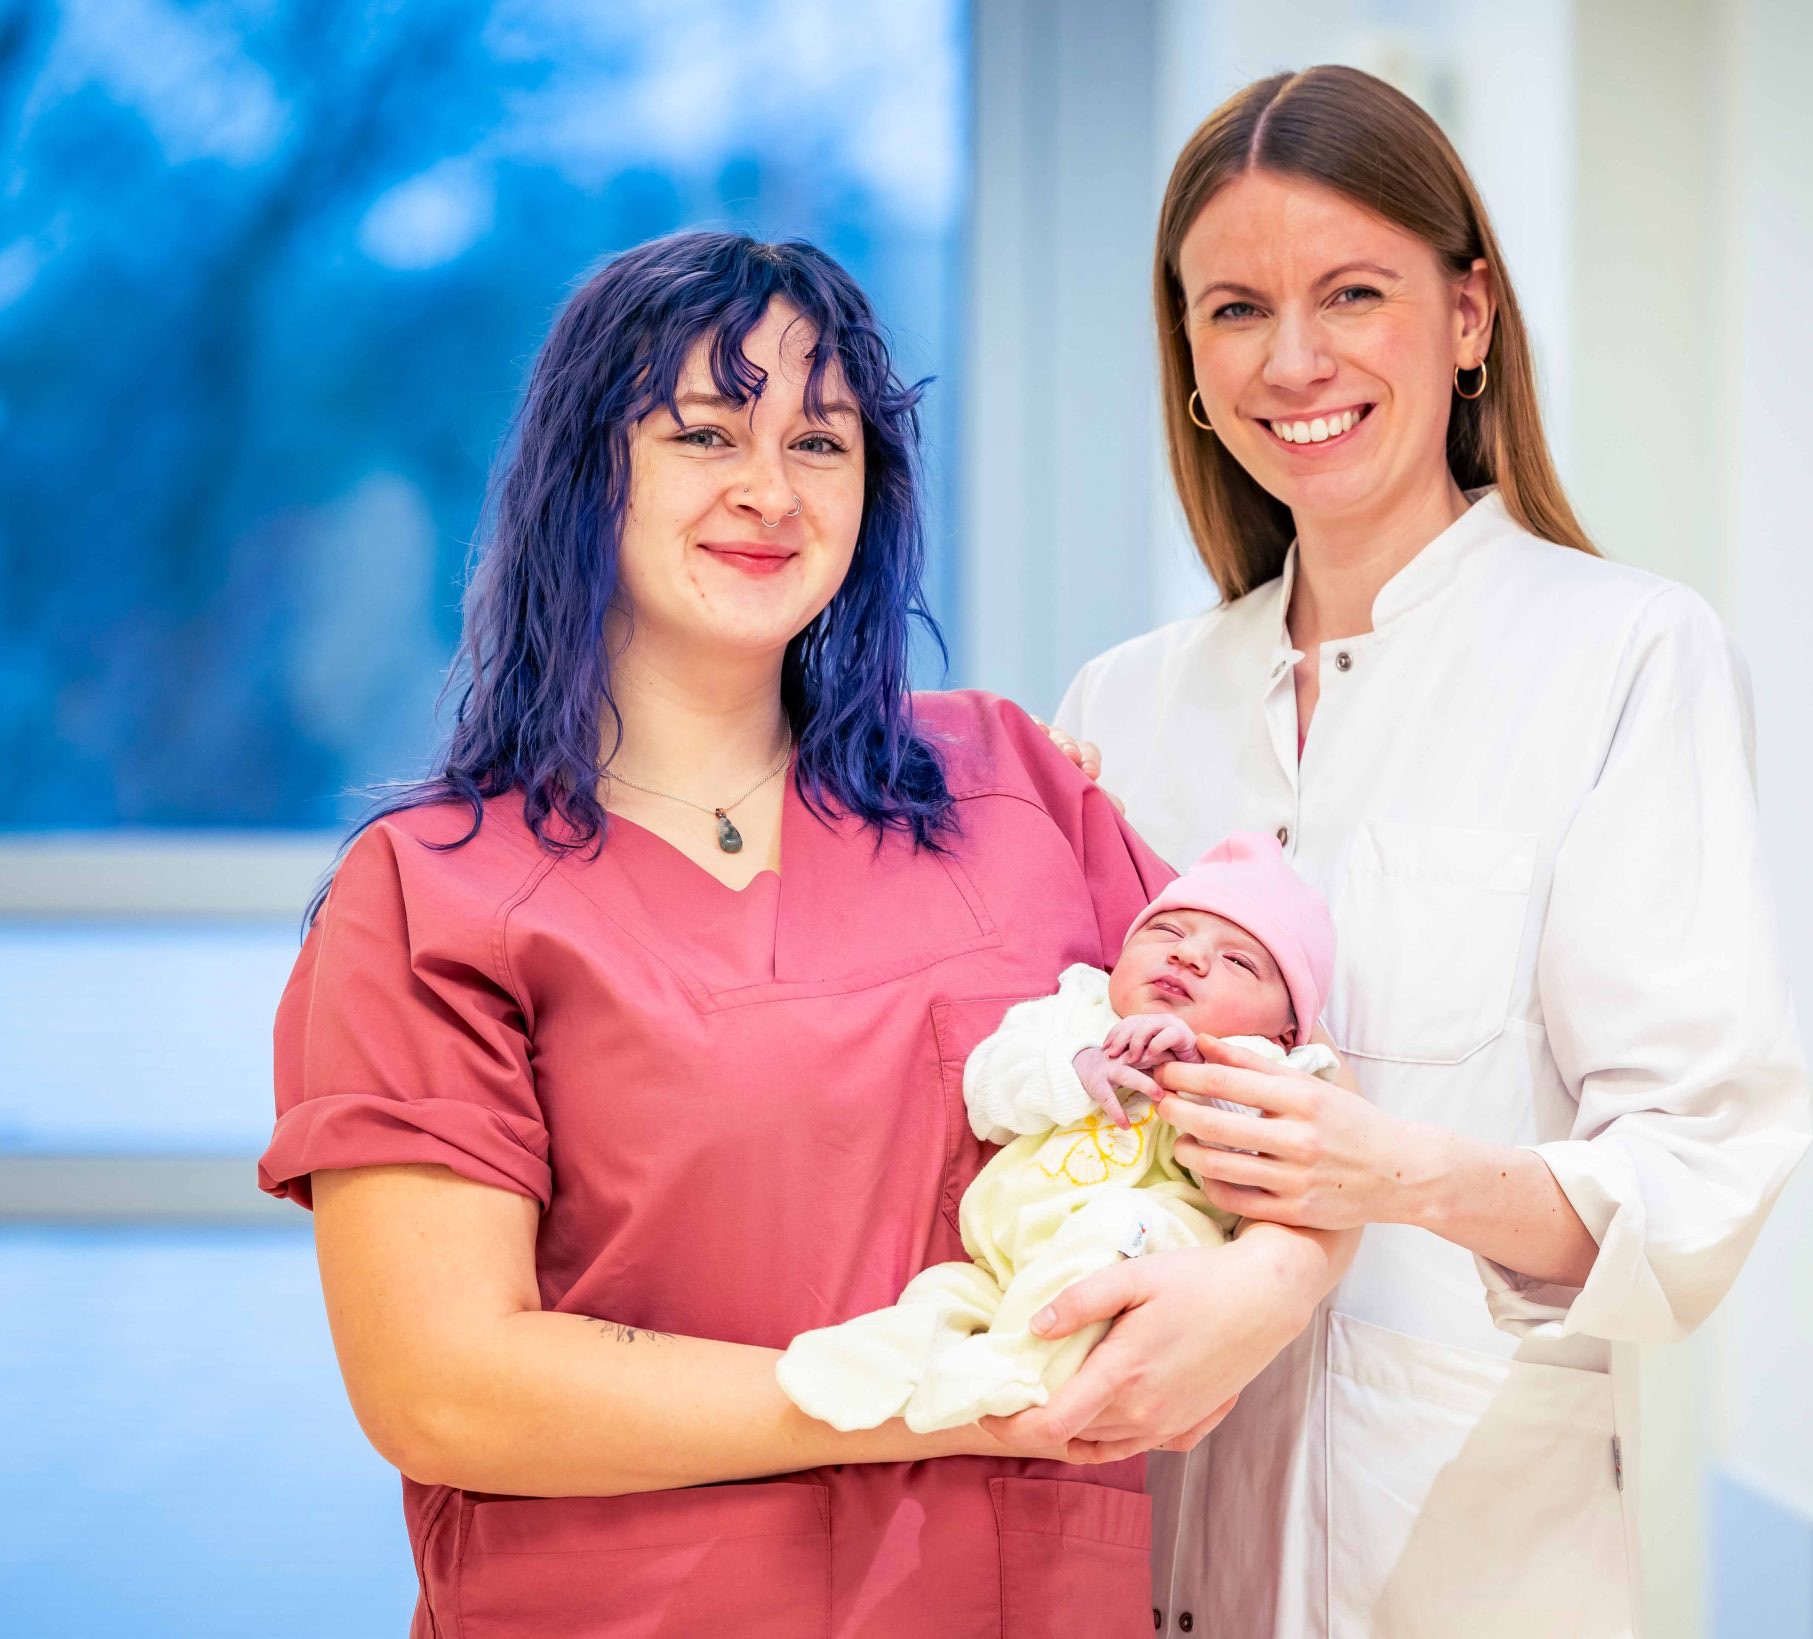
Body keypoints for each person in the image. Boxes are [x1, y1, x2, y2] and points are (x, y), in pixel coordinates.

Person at [257, 230, 1331, 1637]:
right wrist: (925, 1397)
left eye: (822, 443)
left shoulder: (1008, 784)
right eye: (705, 432)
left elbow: (1284, 1064)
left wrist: (1274, 1277)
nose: (770, 491)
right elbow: (445, 1384)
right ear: (587, 475)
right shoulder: (437, 895)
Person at [1044, 66, 1813, 1635]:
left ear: (1468, 315)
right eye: (1237, 309)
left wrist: (1393, 1173)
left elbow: (1697, 1161)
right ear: (1188, 357)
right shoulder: (1123, 708)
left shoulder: (1625, 655)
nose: (1297, 359)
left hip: (1474, 1555)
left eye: (1354, 293)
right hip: (1149, 1550)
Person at [778, 832, 1341, 1435]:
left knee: (1111, 1229)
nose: (1189, 957)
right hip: (1003, 1251)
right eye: (1168, 933)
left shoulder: (1273, 1068)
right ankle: (870, 1366)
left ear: (1287, 1032)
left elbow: (1271, 1164)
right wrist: (1079, 1068)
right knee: (943, 1294)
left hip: (1142, 1247)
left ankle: (1020, 1364)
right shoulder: (1078, 1007)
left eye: (1237, 961)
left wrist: (1201, 1079)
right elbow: (987, 1093)